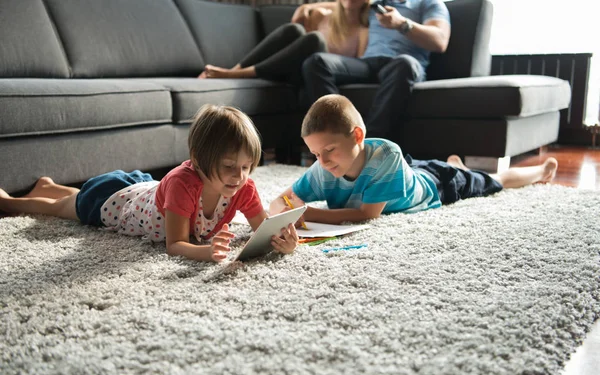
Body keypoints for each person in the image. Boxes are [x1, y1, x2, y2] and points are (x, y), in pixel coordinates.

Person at [0, 105, 299, 262]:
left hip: (149, 189)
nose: (239, 176)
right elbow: (176, 245)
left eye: (247, 167)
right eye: (229, 167)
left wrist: (281, 241)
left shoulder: (243, 186)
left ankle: (48, 184)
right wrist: (206, 253)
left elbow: (262, 226)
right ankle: (11, 201)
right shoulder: (185, 184)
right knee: (66, 207)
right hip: (115, 200)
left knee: (74, 194)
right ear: (197, 159)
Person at [269, 95, 559, 224]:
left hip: (437, 185)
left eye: (329, 149)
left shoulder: (386, 155)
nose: (323, 160)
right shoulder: (323, 168)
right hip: (407, 174)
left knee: (494, 181)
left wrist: (306, 213)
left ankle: (540, 170)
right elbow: (283, 200)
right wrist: (280, 212)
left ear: (357, 136)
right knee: (427, 169)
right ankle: (455, 164)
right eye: (316, 153)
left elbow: (367, 215)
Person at [301, 0, 451, 140]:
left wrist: (401, 24)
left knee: (405, 63)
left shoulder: (429, 3)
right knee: (316, 61)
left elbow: (440, 41)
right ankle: (338, 138)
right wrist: (306, 7)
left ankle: (368, 144)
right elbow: (343, 4)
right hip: (368, 64)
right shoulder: (375, 4)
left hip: (402, 64)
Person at [199, 0, 369, 82]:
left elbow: (357, 66)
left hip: (316, 73)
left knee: (315, 39)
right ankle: (235, 70)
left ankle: (234, 75)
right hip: (290, 65)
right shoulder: (324, 14)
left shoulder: (363, 29)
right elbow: (297, 34)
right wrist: (306, 8)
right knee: (294, 30)